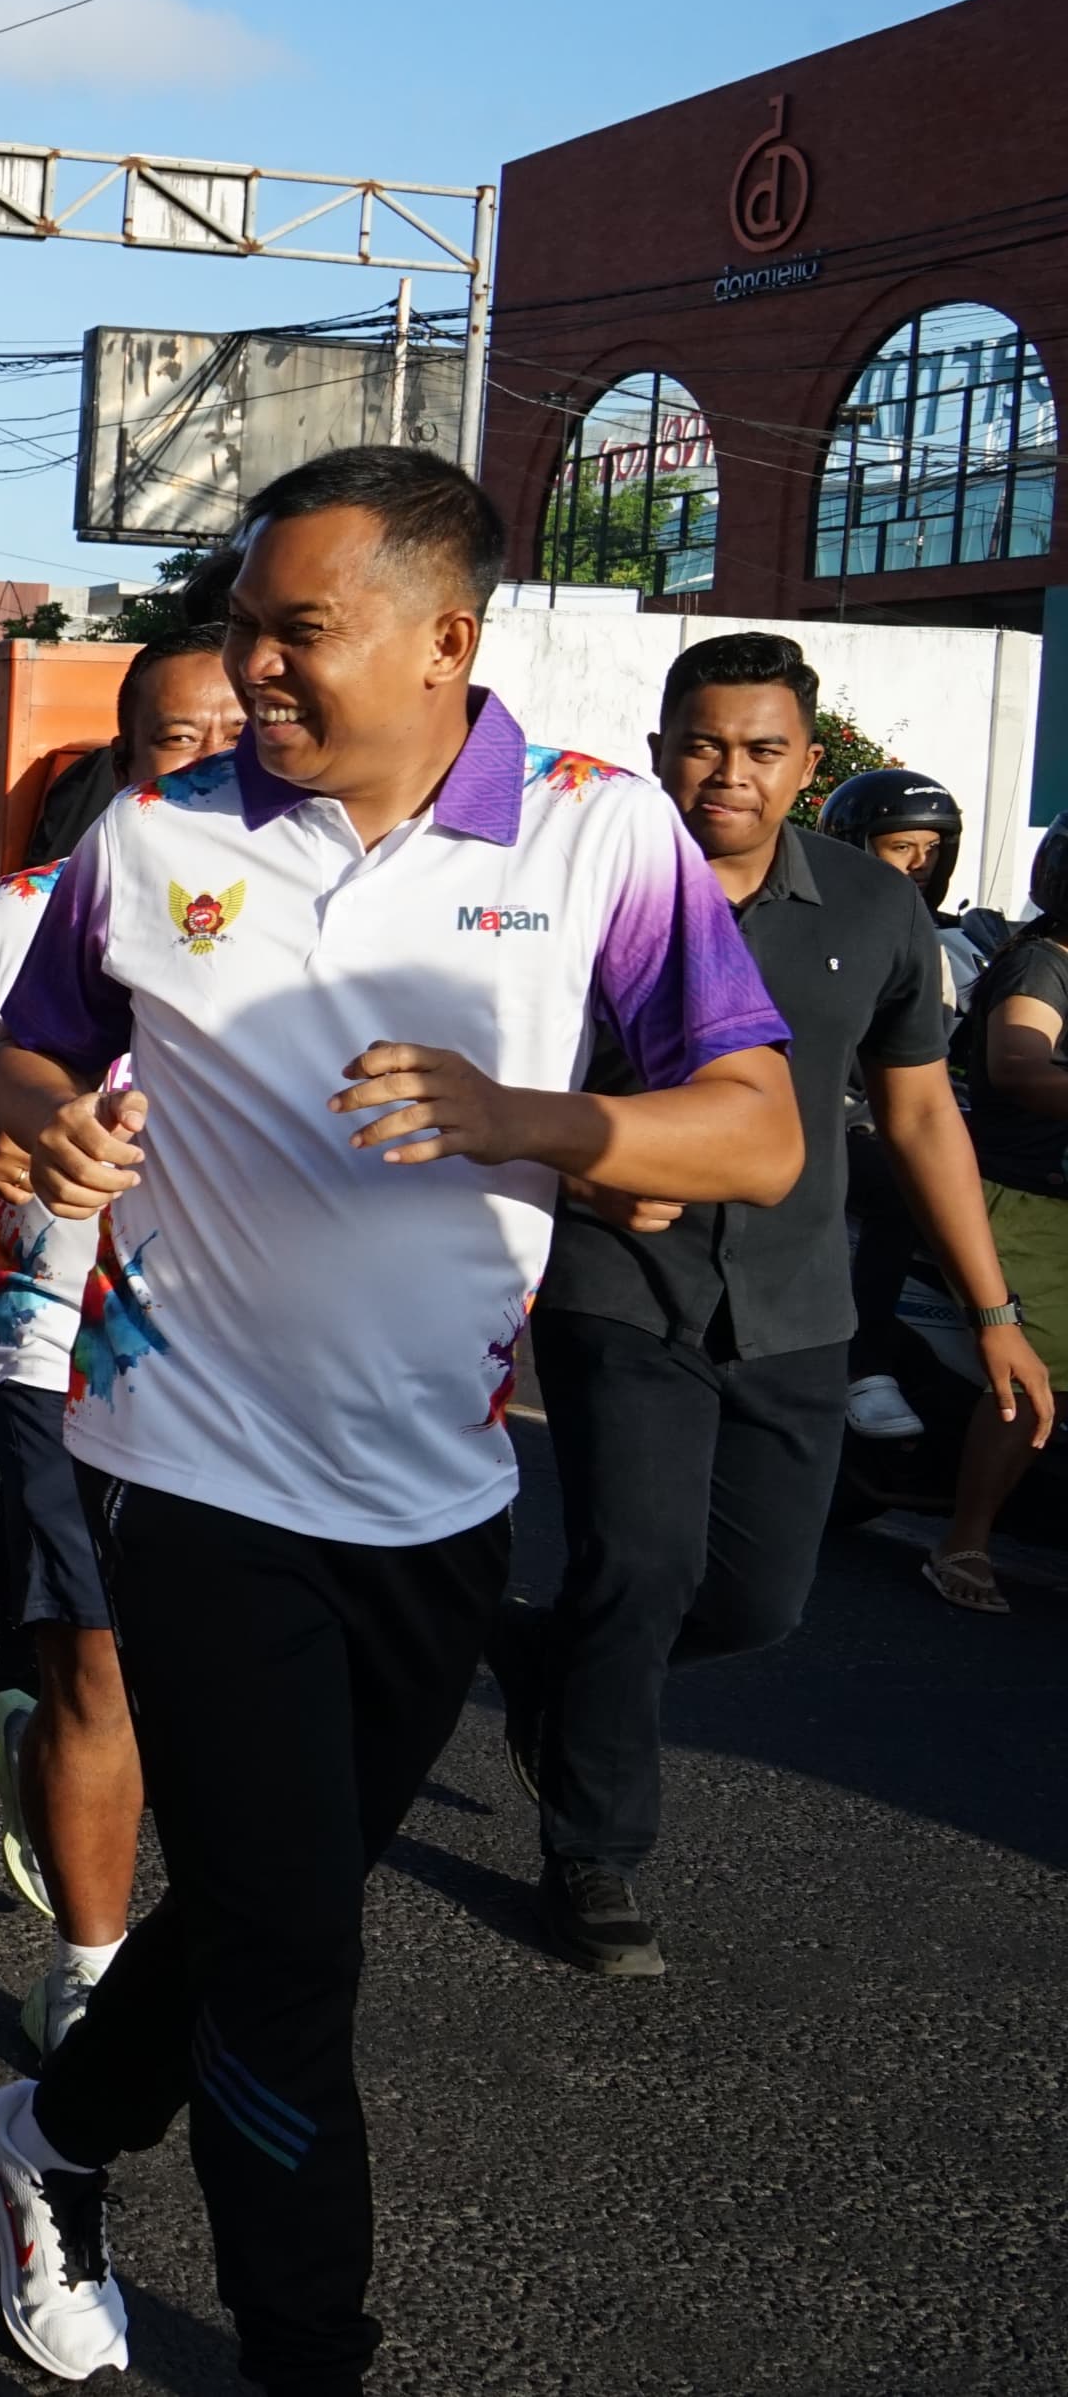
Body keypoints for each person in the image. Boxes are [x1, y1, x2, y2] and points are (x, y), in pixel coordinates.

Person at [0, 448, 801, 2393]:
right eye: (243, 625)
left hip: (431, 1502)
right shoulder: (157, 838)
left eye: (296, 632)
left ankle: (45, 2136)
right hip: (184, 1471)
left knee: (273, 1901)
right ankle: (305, 2356)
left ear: (447, 641)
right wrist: (47, 1120)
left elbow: (751, 1130)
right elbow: (23, 1046)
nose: (251, 665)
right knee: (292, 1968)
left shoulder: (593, 838)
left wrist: (534, 1120)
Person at [484, 634, 1049, 1973]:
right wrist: (595, 1175)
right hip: (621, 1284)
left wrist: (995, 1309)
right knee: (641, 1566)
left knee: (755, 1601)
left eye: (760, 749)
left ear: (807, 762)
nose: (725, 774)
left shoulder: (874, 908)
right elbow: (498, 1077)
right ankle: (597, 1854)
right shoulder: (579, 891)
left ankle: (551, 1670)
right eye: (700, 743)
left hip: (797, 1301)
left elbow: (919, 1117)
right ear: (658, 744)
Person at [0, 631, 238, 2060]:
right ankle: (90, 1964)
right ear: (123, 761)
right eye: (173, 740)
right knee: (97, 1649)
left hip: (252, 1362)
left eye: (233, 733)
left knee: (181, 1674)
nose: (207, 760)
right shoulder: (29, 915)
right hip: (60, 1340)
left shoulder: (337, 916)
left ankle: (43, 1756)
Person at [815, 765, 1004, 1442]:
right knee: (905, 1186)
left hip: (919, 1110)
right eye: (902, 847)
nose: (921, 863)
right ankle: (861, 1367)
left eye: (934, 848)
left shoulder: (954, 941)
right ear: (855, 843)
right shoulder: (829, 928)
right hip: (839, 1116)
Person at [937, 819, 1068, 1612]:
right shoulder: (1044, 963)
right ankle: (965, 1539)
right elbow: (1019, 1061)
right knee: (1040, 1366)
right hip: (1025, 1194)